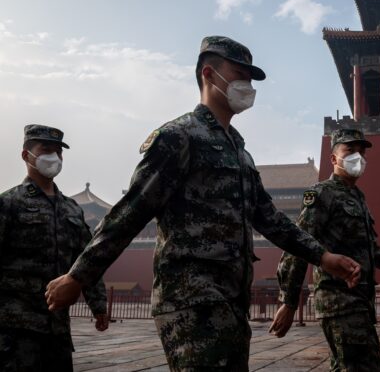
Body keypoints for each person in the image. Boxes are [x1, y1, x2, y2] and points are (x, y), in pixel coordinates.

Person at [44, 36, 361, 371]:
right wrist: (78, 276)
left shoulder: (241, 153)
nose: (247, 86)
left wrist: (324, 257)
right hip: (190, 299)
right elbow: (131, 211)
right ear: (209, 75)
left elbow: (271, 220)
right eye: (239, 75)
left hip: (231, 301)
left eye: (250, 80)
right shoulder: (178, 136)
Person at [269, 128, 380, 371]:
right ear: (333, 158)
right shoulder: (322, 193)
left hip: (360, 301)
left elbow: (372, 251)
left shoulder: (358, 198)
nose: (358, 157)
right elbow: (299, 243)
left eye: (362, 152)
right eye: (350, 150)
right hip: (338, 301)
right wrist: (289, 302)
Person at [0, 125, 108, 372]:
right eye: (46, 150)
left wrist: (98, 305)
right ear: (26, 155)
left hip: (58, 329)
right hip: (15, 329)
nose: (54, 157)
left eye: (58, 152)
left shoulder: (71, 209)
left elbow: (86, 258)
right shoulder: (9, 203)